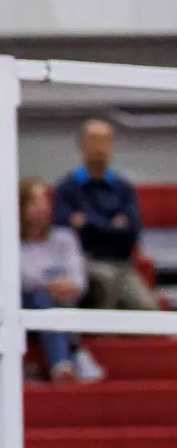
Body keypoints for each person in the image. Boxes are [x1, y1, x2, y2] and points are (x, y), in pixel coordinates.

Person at [53, 119, 161, 312]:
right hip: (85, 262)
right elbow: (63, 229)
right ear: (82, 145)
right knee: (104, 281)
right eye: (93, 140)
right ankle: (100, 335)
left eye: (105, 140)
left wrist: (87, 223)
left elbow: (132, 232)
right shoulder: (66, 188)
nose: (100, 146)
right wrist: (112, 225)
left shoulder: (123, 188)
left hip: (122, 264)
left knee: (150, 310)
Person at [19, 177, 99, 383]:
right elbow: (21, 278)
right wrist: (49, 284)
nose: (42, 207)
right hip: (26, 304)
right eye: (34, 201)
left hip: (65, 300)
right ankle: (68, 358)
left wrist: (67, 286)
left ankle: (69, 357)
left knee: (55, 300)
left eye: (44, 200)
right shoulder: (11, 241)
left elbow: (79, 279)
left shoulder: (64, 238)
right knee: (43, 298)